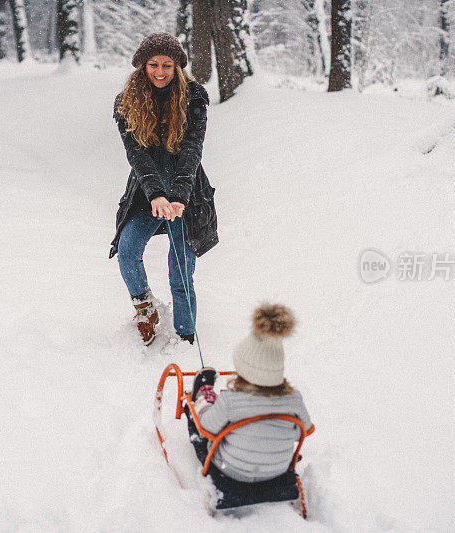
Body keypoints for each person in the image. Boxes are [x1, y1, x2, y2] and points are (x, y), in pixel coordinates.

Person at [110, 33, 218, 346]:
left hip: (188, 193)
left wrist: (179, 195)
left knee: (180, 268)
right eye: (153, 64)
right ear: (142, 67)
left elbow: (192, 149)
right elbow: (137, 154)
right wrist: (156, 192)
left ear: (178, 67)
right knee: (128, 250)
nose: (160, 71)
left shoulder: (193, 96)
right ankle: (146, 309)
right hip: (146, 191)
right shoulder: (126, 102)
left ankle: (185, 337)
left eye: (167, 65)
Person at [186, 304, 313, 484]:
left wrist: (203, 408)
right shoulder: (294, 400)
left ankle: (204, 396)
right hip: (278, 469)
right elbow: (304, 430)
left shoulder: (231, 401)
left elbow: (206, 428)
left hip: (231, 470)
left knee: (196, 416)